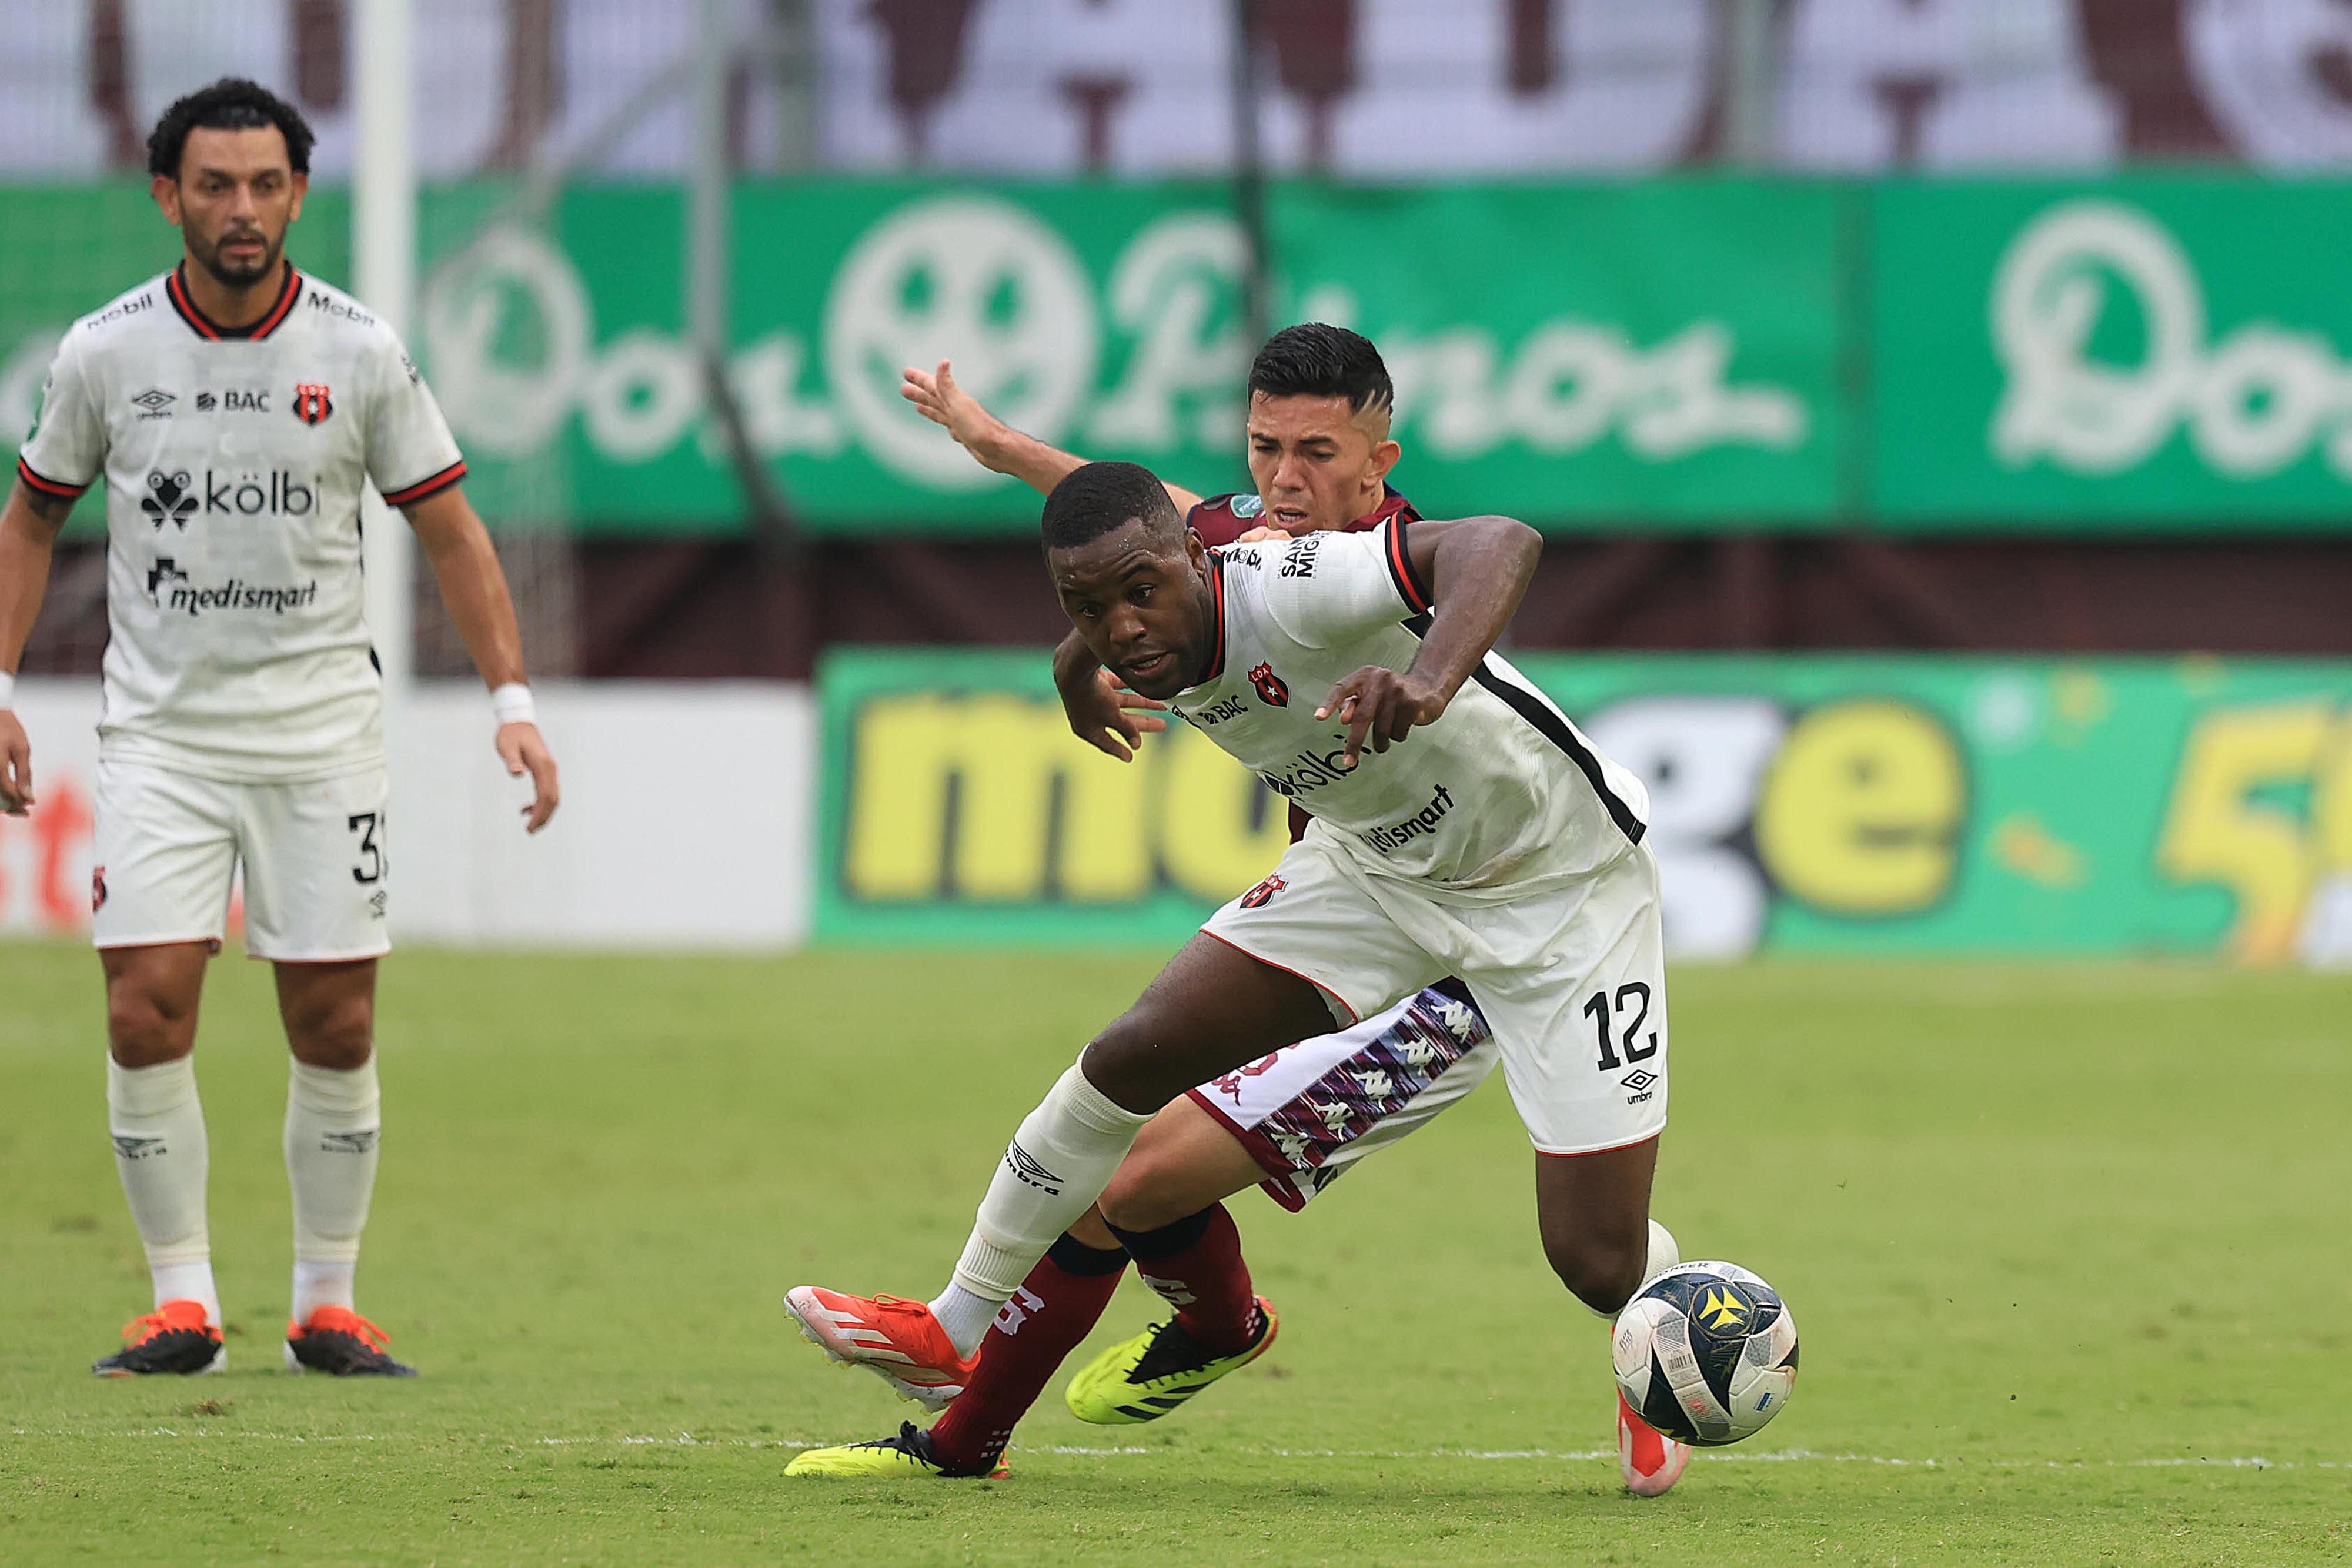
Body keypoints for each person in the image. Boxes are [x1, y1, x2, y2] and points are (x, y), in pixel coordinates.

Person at [786, 456, 1683, 1490]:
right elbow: (1107, 607)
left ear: (1197, 564)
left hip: (1562, 891)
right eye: (1087, 608)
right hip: (1374, 871)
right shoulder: (1137, 627)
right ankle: (952, 1327)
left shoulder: (1298, 586)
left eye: (1140, 592)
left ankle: (1657, 1332)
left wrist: (1427, 682)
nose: (1122, 627)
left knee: (1595, 1262)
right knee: (1132, 1056)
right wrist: (1070, 674)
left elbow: (1504, 541)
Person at [0, 78, 559, 1378]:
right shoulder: (105, 351)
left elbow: (452, 526)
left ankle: (326, 1301)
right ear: (166, 196)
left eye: (265, 185)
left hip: (322, 737)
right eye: (215, 185)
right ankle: (180, 1300)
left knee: (338, 1023)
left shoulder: (360, 350)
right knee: (145, 1007)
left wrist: (511, 702)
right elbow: (32, 516)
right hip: (161, 739)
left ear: (299, 193)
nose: (241, 210)